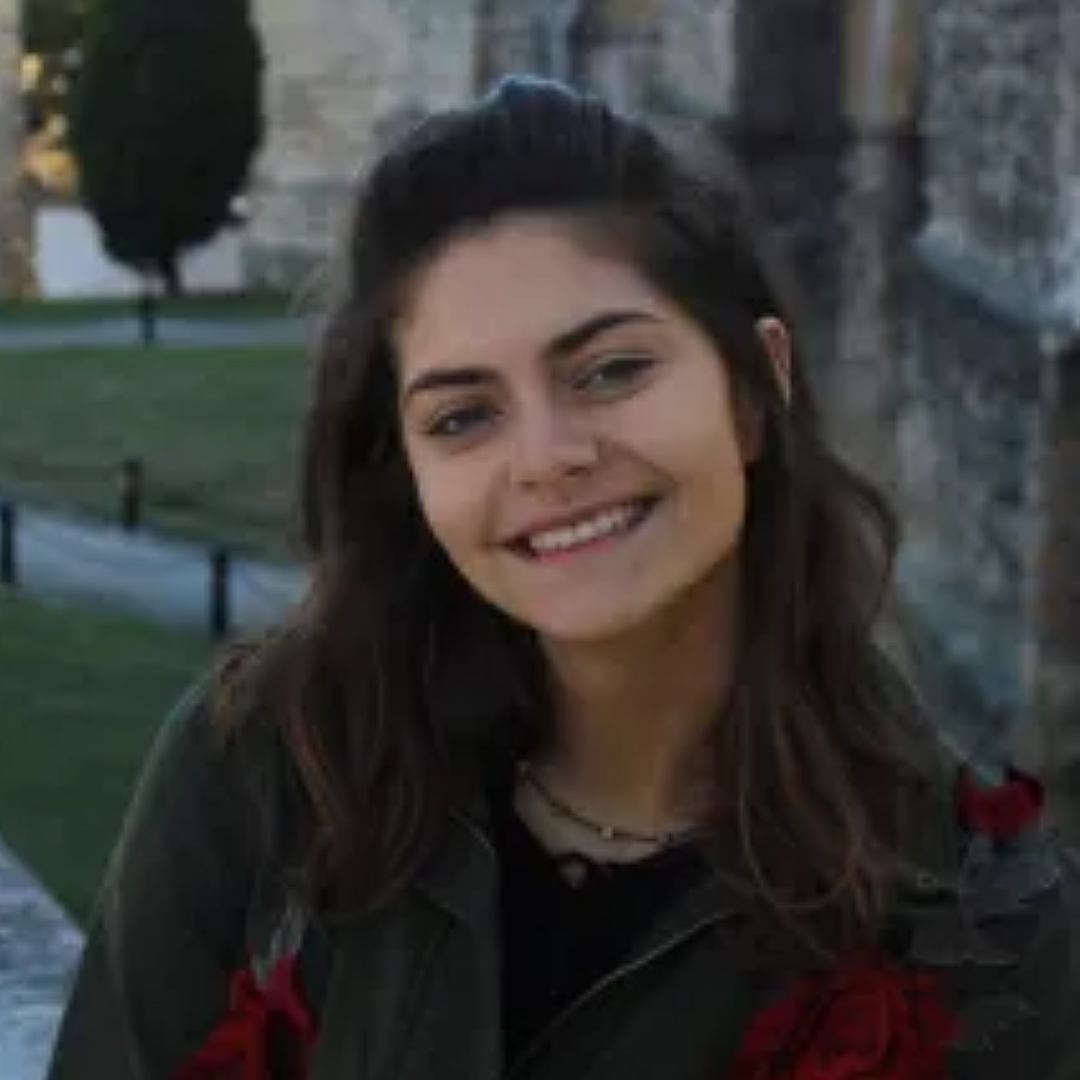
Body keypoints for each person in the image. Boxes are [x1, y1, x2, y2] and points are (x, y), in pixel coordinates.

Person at [46, 77, 1079, 1080]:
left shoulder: (980, 918)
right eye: (464, 417)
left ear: (755, 388)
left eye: (612, 371)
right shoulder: (265, 771)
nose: (546, 459)